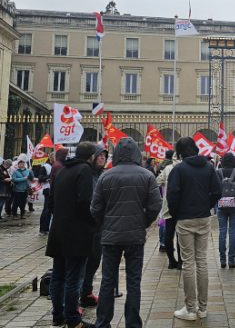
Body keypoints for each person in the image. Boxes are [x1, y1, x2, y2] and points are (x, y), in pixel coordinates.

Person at [91, 138, 162, 328]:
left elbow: (95, 207)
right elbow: (156, 205)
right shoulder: (147, 176)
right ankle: (132, 323)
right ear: (137, 154)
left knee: (107, 281)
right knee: (134, 281)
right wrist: (143, 222)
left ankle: (103, 322)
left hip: (110, 236)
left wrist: (104, 224)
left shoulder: (106, 176)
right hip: (135, 236)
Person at [167, 137, 221, 321]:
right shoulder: (208, 167)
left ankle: (190, 309)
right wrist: (207, 205)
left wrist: (176, 214)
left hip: (185, 218)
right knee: (202, 261)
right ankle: (203, 308)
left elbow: (172, 195)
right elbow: (217, 191)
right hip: (203, 217)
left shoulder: (179, 169)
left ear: (180, 152)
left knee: (188, 263)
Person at [45, 142, 98, 328]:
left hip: (59, 230)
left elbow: (51, 201)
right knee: (73, 278)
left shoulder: (62, 170)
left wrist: (61, 217)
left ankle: (58, 315)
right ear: (91, 156)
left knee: (58, 275)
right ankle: (73, 320)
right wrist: (92, 221)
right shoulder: (84, 170)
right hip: (76, 232)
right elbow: (85, 200)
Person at [80, 146, 108, 308]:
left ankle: (87, 291)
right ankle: (79, 294)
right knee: (83, 262)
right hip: (85, 225)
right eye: (100, 156)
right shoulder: (86, 175)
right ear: (92, 157)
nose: (103, 158)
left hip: (99, 226)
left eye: (105, 156)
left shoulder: (102, 176)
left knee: (95, 260)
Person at [216, 152, 235, 269]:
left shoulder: (218, 172)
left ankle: (222, 260)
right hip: (234, 203)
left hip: (221, 203)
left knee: (222, 231)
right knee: (232, 231)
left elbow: (215, 187)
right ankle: (231, 260)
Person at [156, 150, 182, 269]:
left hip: (168, 205)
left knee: (169, 233)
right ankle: (181, 261)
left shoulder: (167, 168)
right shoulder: (185, 168)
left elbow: (157, 182)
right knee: (181, 234)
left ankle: (171, 260)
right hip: (182, 206)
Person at [38, 154, 53, 235]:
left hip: (55, 190)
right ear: (50, 158)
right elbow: (40, 178)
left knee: (51, 210)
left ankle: (49, 228)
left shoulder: (58, 165)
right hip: (47, 190)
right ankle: (43, 229)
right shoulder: (45, 166)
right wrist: (48, 177)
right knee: (47, 210)